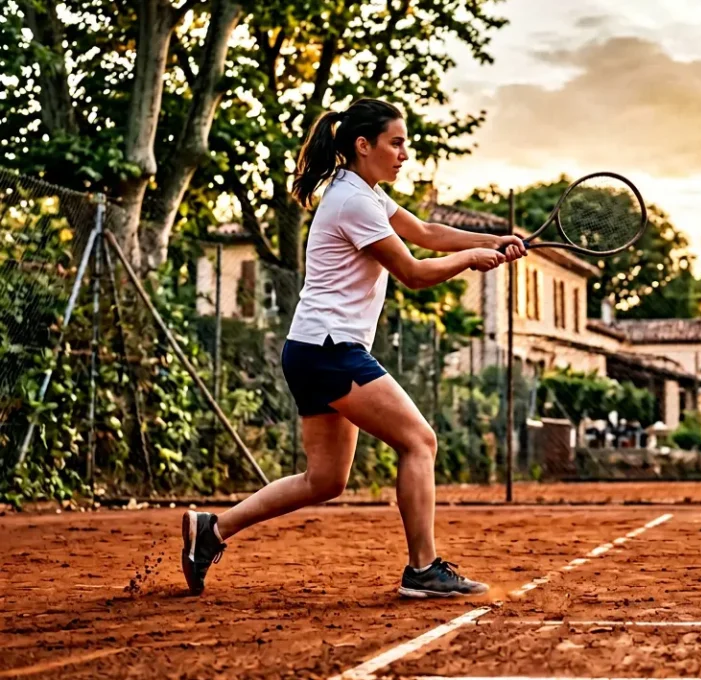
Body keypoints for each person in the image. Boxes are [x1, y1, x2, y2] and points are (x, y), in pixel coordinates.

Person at [180, 99, 527, 598]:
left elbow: (427, 233)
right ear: (363, 146)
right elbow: (412, 272)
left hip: (311, 349)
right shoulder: (354, 202)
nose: (405, 153)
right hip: (330, 349)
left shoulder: (362, 193)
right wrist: (474, 257)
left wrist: (493, 239)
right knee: (419, 441)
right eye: (396, 143)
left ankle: (211, 531)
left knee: (324, 479)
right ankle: (423, 570)